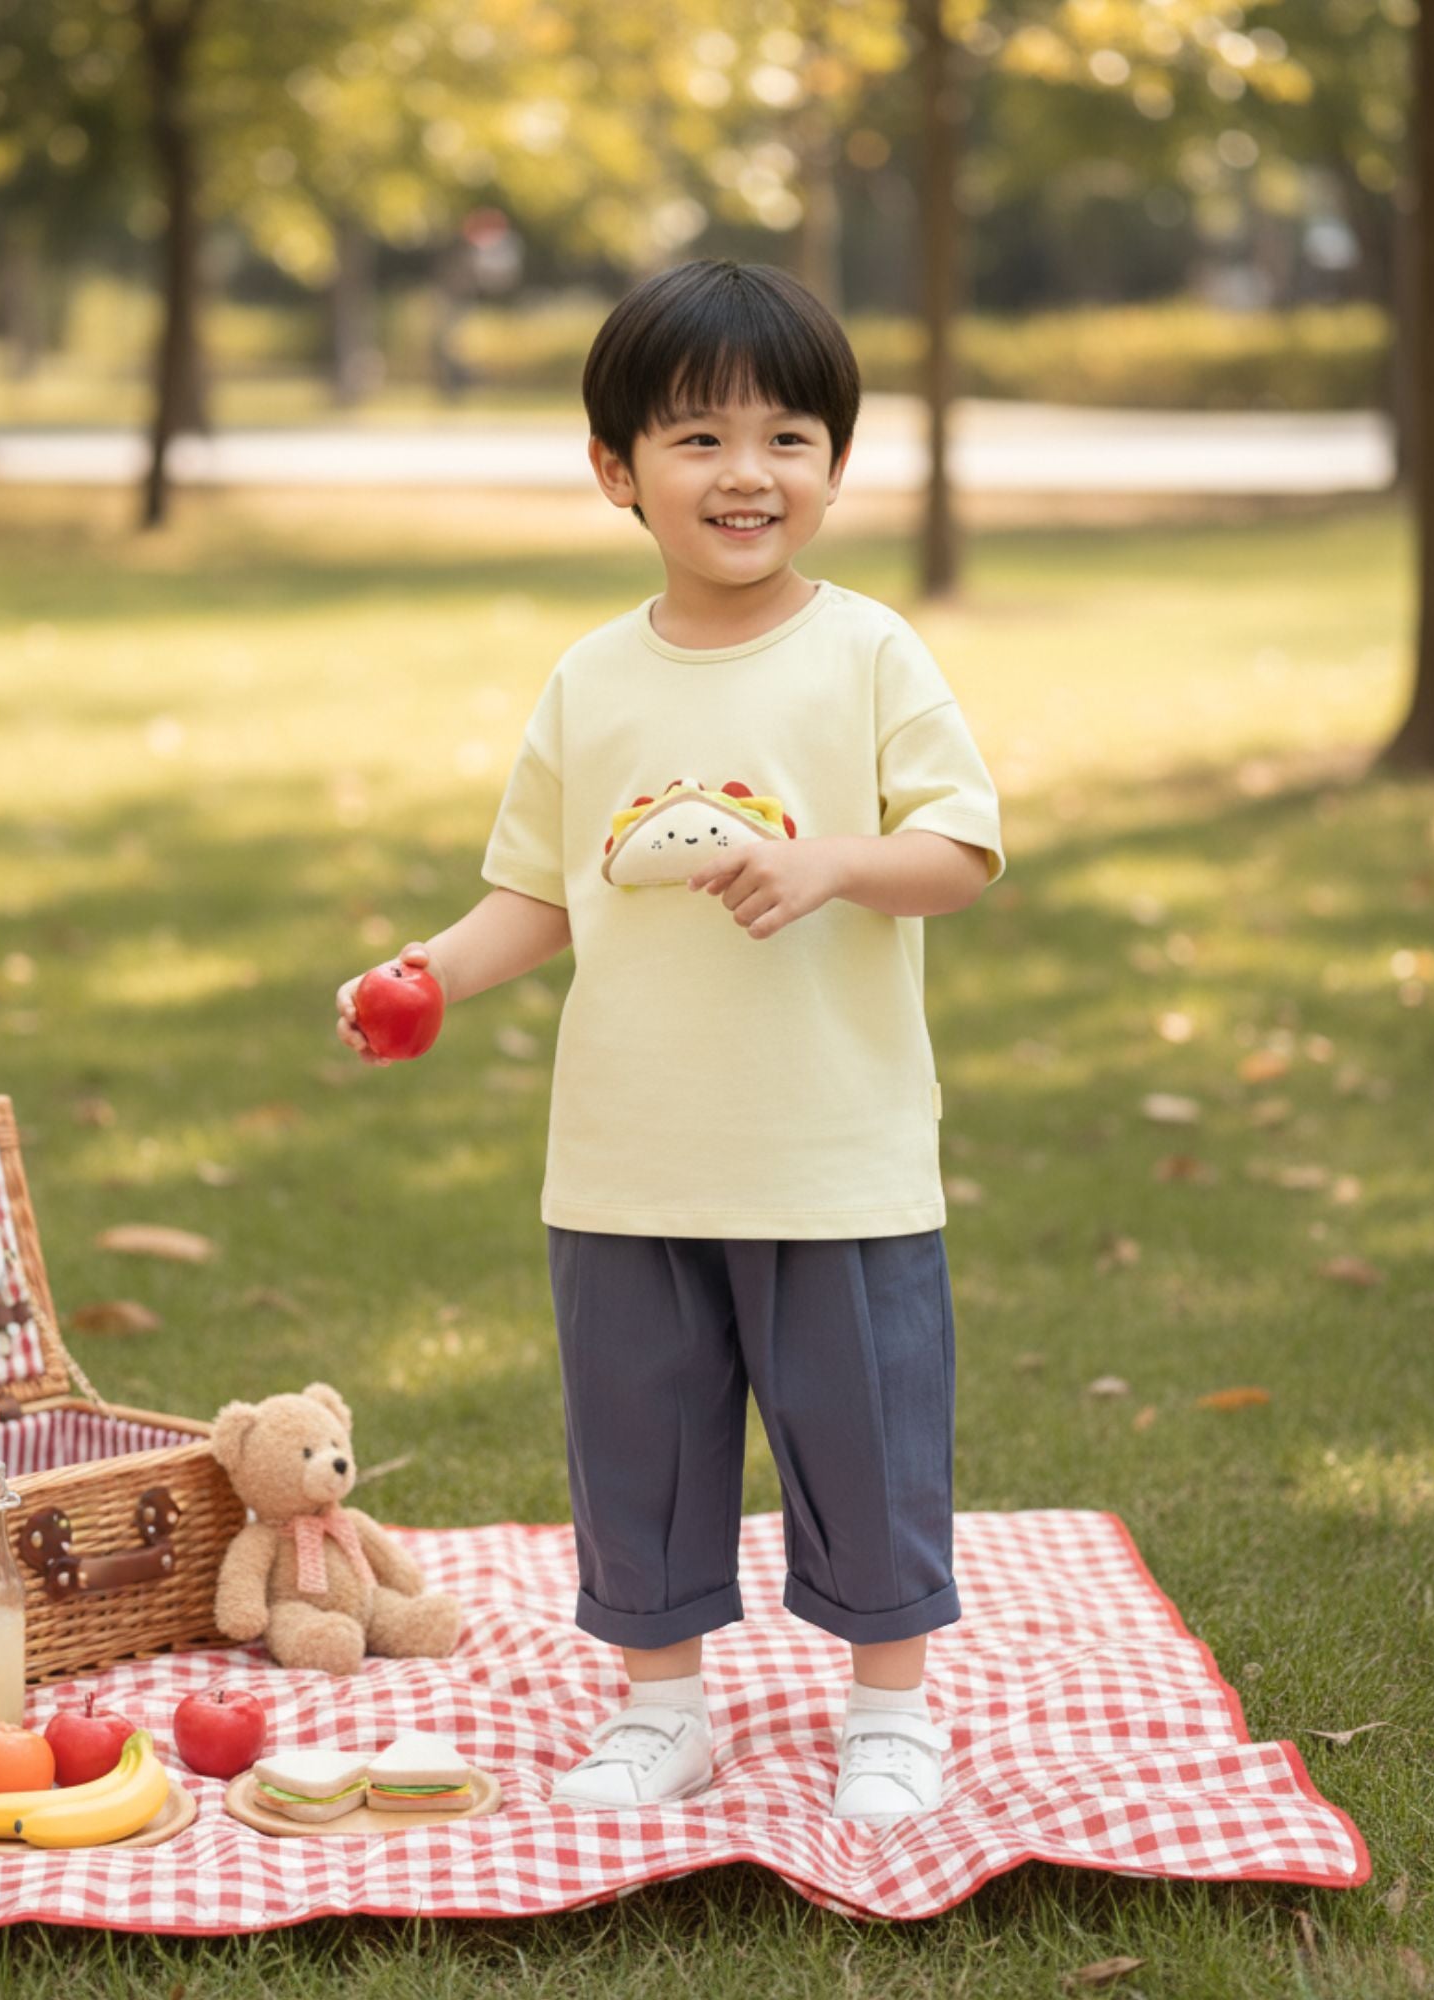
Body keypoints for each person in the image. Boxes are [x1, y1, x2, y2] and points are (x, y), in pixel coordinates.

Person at [336, 258, 1005, 1824]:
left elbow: (963, 851)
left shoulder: (869, 654)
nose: (747, 472)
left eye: (787, 436)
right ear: (615, 469)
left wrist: (834, 860)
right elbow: (538, 893)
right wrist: (424, 973)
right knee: (642, 1441)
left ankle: (891, 1709)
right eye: (698, 438)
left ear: (836, 464)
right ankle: (665, 1709)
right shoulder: (593, 678)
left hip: (831, 1155)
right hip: (629, 1155)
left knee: (865, 1436)